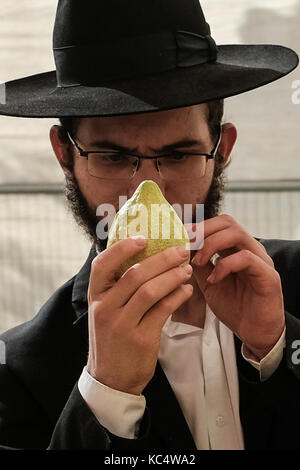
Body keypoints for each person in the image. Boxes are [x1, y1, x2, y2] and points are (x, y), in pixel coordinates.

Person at [0, 0, 300, 451]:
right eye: (114, 157)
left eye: (178, 155)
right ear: (65, 154)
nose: (146, 191)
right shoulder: (20, 370)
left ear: (221, 150)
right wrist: (107, 392)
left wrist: (279, 347)